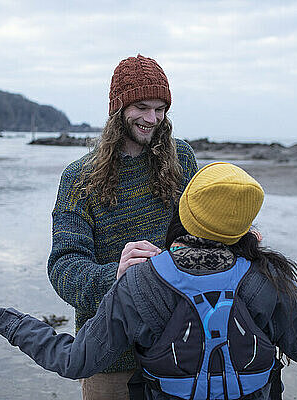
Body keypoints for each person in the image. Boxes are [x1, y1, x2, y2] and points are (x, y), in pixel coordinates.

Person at [0, 162, 297, 400]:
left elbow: (74, 360)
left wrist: (9, 323)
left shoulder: (137, 284)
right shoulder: (271, 279)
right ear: (246, 229)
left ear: (184, 212)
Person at [45, 54, 198, 398]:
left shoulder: (182, 158)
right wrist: (115, 275)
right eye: (142, 107)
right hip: (110, 354)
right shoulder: (79, 178)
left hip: (177, 343)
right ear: (118, 109)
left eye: (160, 109)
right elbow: (62, 267)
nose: (152, 118)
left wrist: (237, 238)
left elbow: (200, 230)